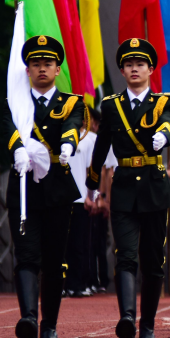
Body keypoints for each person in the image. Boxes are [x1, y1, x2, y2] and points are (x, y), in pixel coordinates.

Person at [86, 38, 170, 338]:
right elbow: (102, 144)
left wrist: (164, 136)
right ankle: (127, 318)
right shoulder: (111, 105)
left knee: (153, 260)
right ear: (122, 70)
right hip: (125, 187)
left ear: (150, 69)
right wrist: (92, 182)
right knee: (125, 255)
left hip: (154, 188)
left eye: (140, 64)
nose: (134, 69)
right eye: (128, 64)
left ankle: (148, 327)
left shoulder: (164, 102)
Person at [6, 35, 85, 338]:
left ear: (57, 69)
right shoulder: (16, 102)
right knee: (26, 255)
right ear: (27, 69)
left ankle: (49, 325)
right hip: (24, 186)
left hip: (57, 187)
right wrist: (17, 148)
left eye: (48, 63)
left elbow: (72, 125)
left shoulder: (71, 102)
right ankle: (28, 318)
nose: (42, 68)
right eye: (36, 63)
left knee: (53, 260)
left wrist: (68, 144)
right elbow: (7, 128)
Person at [64, 106, 99, 297]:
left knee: (79, 244)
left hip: (80, 199)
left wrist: (91, 196)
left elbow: (89, 171)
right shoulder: (61, 135)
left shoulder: (87, 140)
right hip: (62, 198)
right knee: (62, 244)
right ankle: (61, 284)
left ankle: (77, 284)